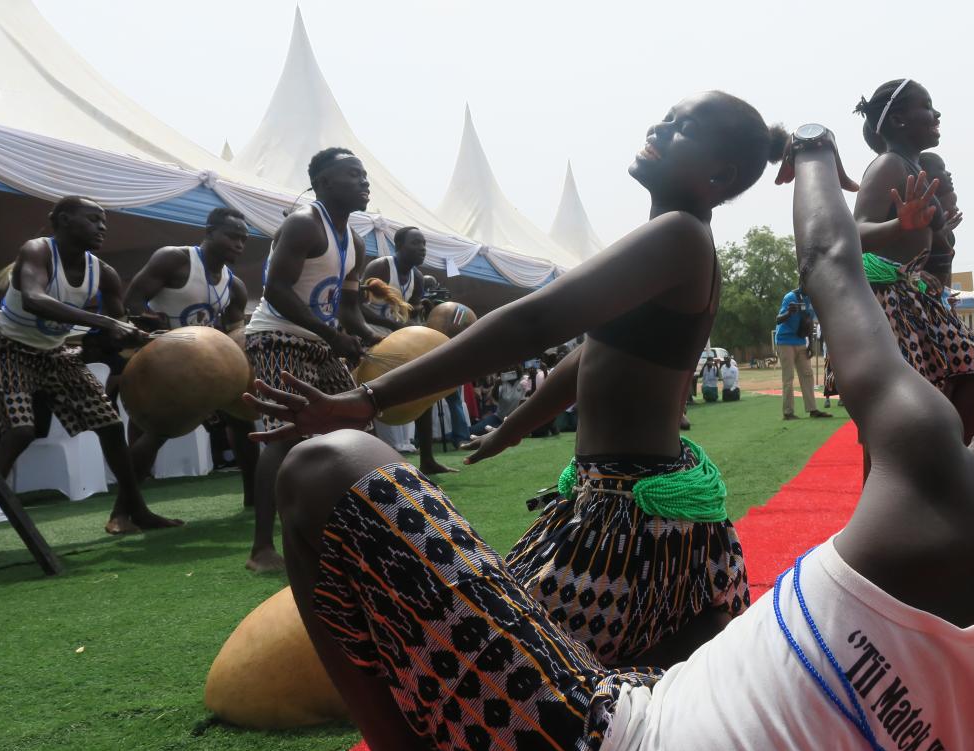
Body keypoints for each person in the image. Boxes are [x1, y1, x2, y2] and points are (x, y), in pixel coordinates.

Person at [259, 127, 974, 751]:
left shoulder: (938, 471)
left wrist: (819, 152)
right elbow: (581, 354)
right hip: (650, 587)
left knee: (325, 466)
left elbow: (825, 258)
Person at [250, 91, 787, 674]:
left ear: (718, 174)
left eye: (684, 127)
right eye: (667, 114)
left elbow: (536, 320)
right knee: (575, 669)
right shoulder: (667, 238)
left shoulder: (678, 235)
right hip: (614, 498)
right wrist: (513, 426)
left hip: (632, 514)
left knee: (514, 669)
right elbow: (589, 357)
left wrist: (369, 397)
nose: (660, 124)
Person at [0, 197, 182, 565]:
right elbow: (33, 298)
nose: (102, 227)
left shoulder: (104, 273)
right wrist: (108, 323)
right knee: (19, 432)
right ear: (63, 220)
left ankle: (131, 511)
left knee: (110, 424)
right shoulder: (36, 251)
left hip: (56, 355)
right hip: (10, 349)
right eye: (93, 219)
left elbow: (115, 329)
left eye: (104, 221)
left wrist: (140, 331)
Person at [240, 147, 382, 573]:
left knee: (360, 420)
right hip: (276, 336)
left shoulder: (354, 243)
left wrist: (370, 338)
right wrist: (332, 335)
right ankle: (262, 548)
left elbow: (349, 308)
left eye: (364, 174)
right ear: (322, 183)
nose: (364, 182)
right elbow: (278, 290)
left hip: (318, 340)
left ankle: (362, 530)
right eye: (352, 174)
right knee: (283, 434)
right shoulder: (303, 224)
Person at [852, 80, 974, 446]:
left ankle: (958, 466)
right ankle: (934, 476)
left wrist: (940, 231)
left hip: (915, 299)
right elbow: (856, 231)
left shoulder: (911, 167)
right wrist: (901, 223)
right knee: (897, 413)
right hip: (888, 303)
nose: (937, 114)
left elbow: (935, 257)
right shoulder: (888, 165)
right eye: (927, 106)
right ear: (898, 120)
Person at [122, 207, 257, 505]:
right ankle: (126, 509)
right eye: (232, 236)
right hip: (160, 363)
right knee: (154, 434)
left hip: (204, 367)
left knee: (241, 419)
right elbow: (131, 300)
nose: (239, 245)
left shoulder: (235, 286)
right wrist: (148, 322)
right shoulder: (175, 259)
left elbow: (236, 336)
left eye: (244, 239)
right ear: (210, 232)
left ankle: (253, 497)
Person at [775, 285, 830, 419]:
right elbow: (778, 319)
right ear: (802, 283)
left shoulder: (811, 299)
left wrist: (810, 345)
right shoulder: (790, 297)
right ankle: (788, 412)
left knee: (807, 375)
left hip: (800, 341)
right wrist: (788, 312)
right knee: (788, 378)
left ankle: (812, 409)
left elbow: (810, 322)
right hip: (785, 340)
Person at [361, 226, 425, 336]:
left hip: (393, 340)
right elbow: (354, 306)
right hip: (365, 335)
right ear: (399, 246)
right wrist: (392, 324)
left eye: (424, 244)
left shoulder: (418, 278)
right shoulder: (381, 267)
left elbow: (411, 315)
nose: (422, 248)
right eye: (415, 243)